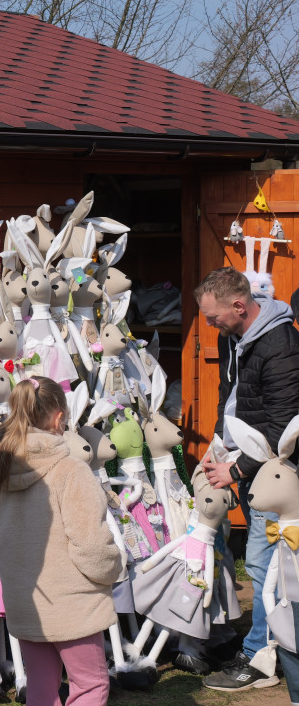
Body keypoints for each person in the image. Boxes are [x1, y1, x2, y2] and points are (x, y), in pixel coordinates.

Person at [0, 377, 121, 706]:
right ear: (59, 418)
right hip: (75, 603)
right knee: (90, 685)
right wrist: (111, 571)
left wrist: (14, 568)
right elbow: (93, 546)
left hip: (26, 600)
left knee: (40, 685)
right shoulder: (72, 471)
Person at [196, 266, 299, 690]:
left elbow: (282, 423)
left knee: (266, 563)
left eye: (212, 316)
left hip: (276, 475)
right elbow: (232, 399)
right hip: (250, 463)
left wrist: (236, 470)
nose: (208, 324)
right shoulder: (233, 337)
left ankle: (261, 657)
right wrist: (219, 444)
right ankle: (264, 646)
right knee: (262, 563)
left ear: (239, 305)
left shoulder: (280, 345)